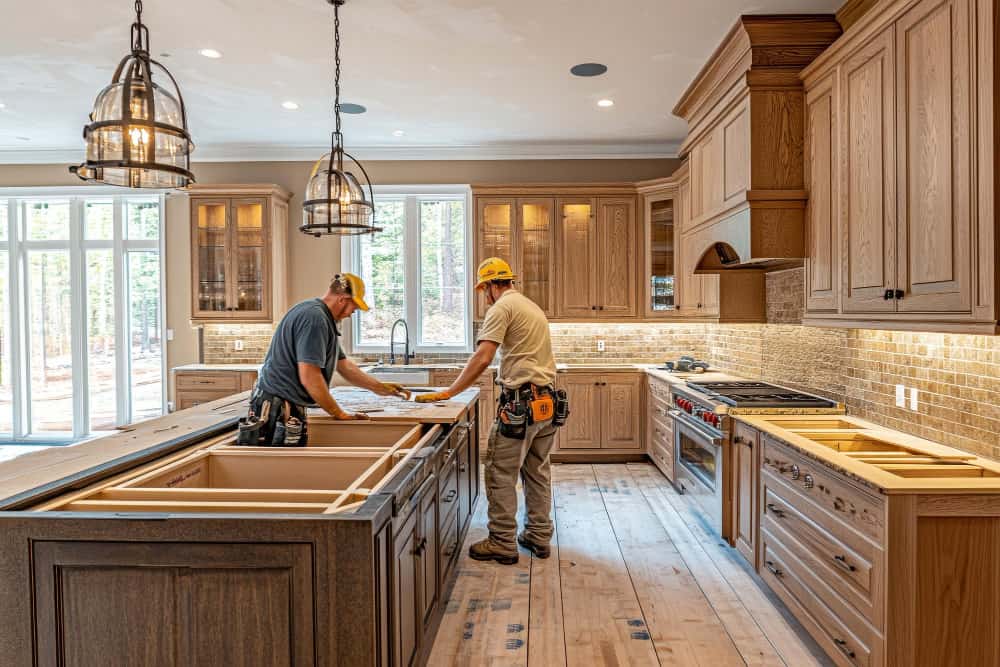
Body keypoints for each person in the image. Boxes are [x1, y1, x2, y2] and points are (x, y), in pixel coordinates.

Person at [416, 257, 563, 564]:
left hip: (520, 405)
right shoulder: (529, 305)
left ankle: (502, 541)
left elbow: (483, 357)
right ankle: (538, 536)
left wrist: (449, 391)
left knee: (499, 472)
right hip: (546, 404)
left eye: (484, 289)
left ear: (491, 287)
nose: (485, 296)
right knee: (536, 472)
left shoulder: (502, 308)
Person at [240, 273, 409, 446]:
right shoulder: (315, 319)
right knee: (274, 467)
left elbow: (344, 366)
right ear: (342, 299)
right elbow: (310, 377)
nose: (352, 313)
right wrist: (339, 413)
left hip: (284, 402)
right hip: (276, 407)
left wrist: (380, 387)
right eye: (354, 307)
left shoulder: (321, 317)